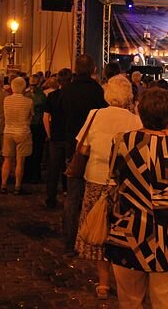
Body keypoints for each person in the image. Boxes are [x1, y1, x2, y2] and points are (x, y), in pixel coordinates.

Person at [106, 88, 168, 308]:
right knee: (165, 300)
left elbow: (114, 174)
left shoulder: (121, 142)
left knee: (129, 300)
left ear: (139, 111)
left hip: (129, 231)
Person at [75, 75, 142, 300]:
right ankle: (124, 282)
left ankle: (103, 283)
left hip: (96, 179)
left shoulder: (95, 115)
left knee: (99, 230)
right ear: (128, 96)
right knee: (122, 234)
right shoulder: (134, 121)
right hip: (123, 185)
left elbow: (82, 148)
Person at [62, 54, 108, 252]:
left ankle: (69, 241)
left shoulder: (67, 90)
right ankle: (91, 235)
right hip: (92, 146)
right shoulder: (97, 91)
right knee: (92, 195)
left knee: (72, 196)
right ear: (93, 70)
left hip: (72, 144)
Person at [44, 68, 72, 210]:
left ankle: (51, 198)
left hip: (55, 136)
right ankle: (69, 195)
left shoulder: (52, 96)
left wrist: (49, 134)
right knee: (69, 168)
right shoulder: (74, 96)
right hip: (69, 137)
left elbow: (45, 117)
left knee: (53, 169)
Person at [1, 76, 34, 195]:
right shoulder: (29, 101)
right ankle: (17, 186)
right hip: (23, 132)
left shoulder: (6, 100)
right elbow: (31, 116)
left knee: (7, 159)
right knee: (20, 161)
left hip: (8, 131)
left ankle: (3, 185)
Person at [25, 74, 47, 184]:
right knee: (37, 151)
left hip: (28, 125)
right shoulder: (42, 95)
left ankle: (27, 174)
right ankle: (35, 175)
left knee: (28, 151)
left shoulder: (26, 94)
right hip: (38, 126)